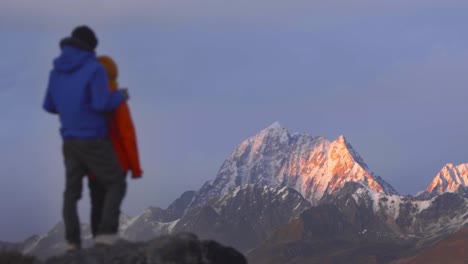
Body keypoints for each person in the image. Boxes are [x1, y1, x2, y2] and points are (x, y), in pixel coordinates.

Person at [43, 25, 129, 250]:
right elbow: (102, 104)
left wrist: (70, 108)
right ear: (91, 46)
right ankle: (106, 234)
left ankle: (72, 241)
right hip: (94, 139)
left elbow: (49, 105)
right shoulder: (94, 68)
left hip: (69, 141)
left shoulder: (57, 71)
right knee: (115, 182)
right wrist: (120, 96)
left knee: (71, 192)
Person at [87, 55, 143, 239]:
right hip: (116, 162)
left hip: (94, 161)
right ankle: (107, 239)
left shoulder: (86, 101)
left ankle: (97, 239)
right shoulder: (117, 99)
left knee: (96, 200)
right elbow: (127, 135)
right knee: (113, 198)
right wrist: (135, 168)